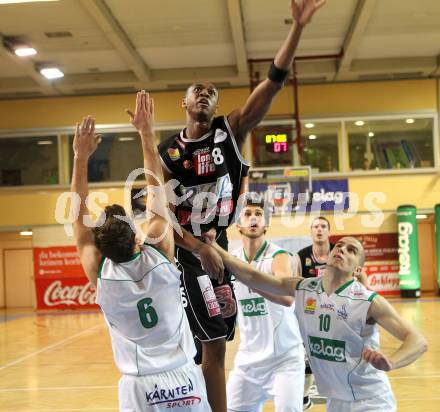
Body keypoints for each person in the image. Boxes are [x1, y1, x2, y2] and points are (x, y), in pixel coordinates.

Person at [157, 2, 326, 410]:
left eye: (211, 93)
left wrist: (297, 30)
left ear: (215, 107)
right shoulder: (168, 153)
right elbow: (159, 217)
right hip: (184, 251)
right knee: (204, 348)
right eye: (197, 91)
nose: (205, 95)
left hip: (217, 250)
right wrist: (199, 248)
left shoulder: (227, 132)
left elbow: (272, 84)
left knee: (217, 346)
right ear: (184, 103)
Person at [71, 92, 212, 411]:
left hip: (138, 388)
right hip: (183, 378)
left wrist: (80, 158)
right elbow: (155, 187)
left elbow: (77, 218)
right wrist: (146, 132)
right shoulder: (159, 249)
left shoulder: (99, 270)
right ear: (137, 239)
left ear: (99, 247)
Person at [210, 236, 427, 412]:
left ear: (357, 269)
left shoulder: (368, 301)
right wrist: (213, 246)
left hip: (371, 401)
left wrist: (391, 362)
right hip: (336, 401)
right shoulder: (304, 288)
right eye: (339, 246)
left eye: (351, 250)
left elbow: (418, 341)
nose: (341, 249)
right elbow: (252, 274)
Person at [227, 197, 304, 412]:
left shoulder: (277, 256)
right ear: (238, 225)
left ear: (266, 224)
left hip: (284, 358)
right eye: (248, 214)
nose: (253, 218)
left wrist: (251, 282)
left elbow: (288, 296)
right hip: (248, 359)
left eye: (258, 214)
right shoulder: (232, 260)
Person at [293, 215, 334, 409]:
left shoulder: (339, 253)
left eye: (323, 226)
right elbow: (294, 286)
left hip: (337, 314)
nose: (319, 229)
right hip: (310, 314)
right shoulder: (301, 256)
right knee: (307, 359)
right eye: (315, 227)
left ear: (329, 231)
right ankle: (303, 397)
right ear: (311, 232)